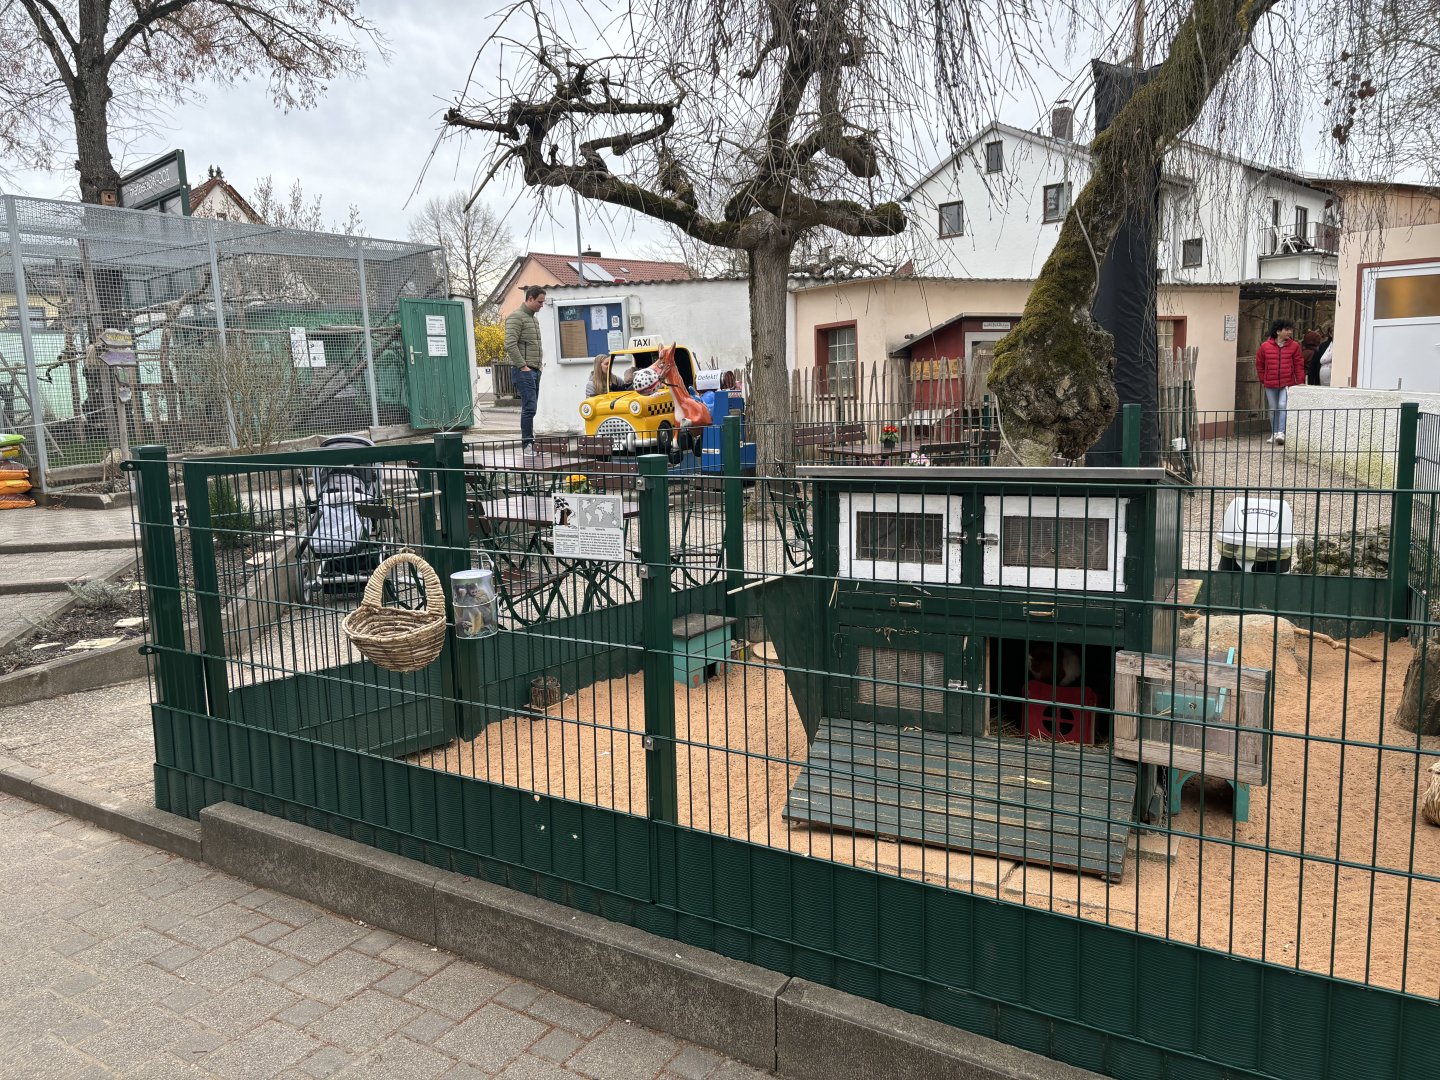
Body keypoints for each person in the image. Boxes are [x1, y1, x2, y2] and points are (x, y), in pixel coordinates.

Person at [504, 286, 546, 454]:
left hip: (534, 370)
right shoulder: (516, 317)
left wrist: (538, 367)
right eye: (539, 302)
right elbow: (510, 344)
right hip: (524, 371)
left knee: (531, 408)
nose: (542, 305)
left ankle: (530, 444)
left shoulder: (533, 319)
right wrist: (523, 366)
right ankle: (527, 445)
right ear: (530, 299)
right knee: (529, 408)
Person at [1255, 318, 1305, 445]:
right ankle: (1274, 433)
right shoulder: (1265, 346)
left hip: (1287, 382)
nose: (1290, 332)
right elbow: (1259, 364)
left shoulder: (1294, 346)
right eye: (1287, 329)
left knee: (1282, 405)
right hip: (1270, 383)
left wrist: (1300, 381)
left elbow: (1299, 364)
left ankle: (1281, 432)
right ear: (1278, 331)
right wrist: (1263, 378)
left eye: (1290, 330)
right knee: (1273, 408)